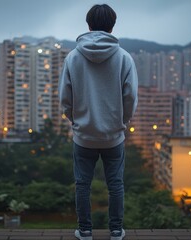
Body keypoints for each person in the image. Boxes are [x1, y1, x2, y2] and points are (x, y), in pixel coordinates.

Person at [58, 4, 138, 240]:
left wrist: (75, 120)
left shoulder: (73, 57)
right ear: (112, 26)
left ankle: (85, 231)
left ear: (89, 25)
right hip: (114, 136)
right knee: (116, 184)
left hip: (84, 136)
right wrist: (122, 122)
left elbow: (65, 96)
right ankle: (115, 231)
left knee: (83, 184)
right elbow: (130, 95)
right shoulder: (124, 57)